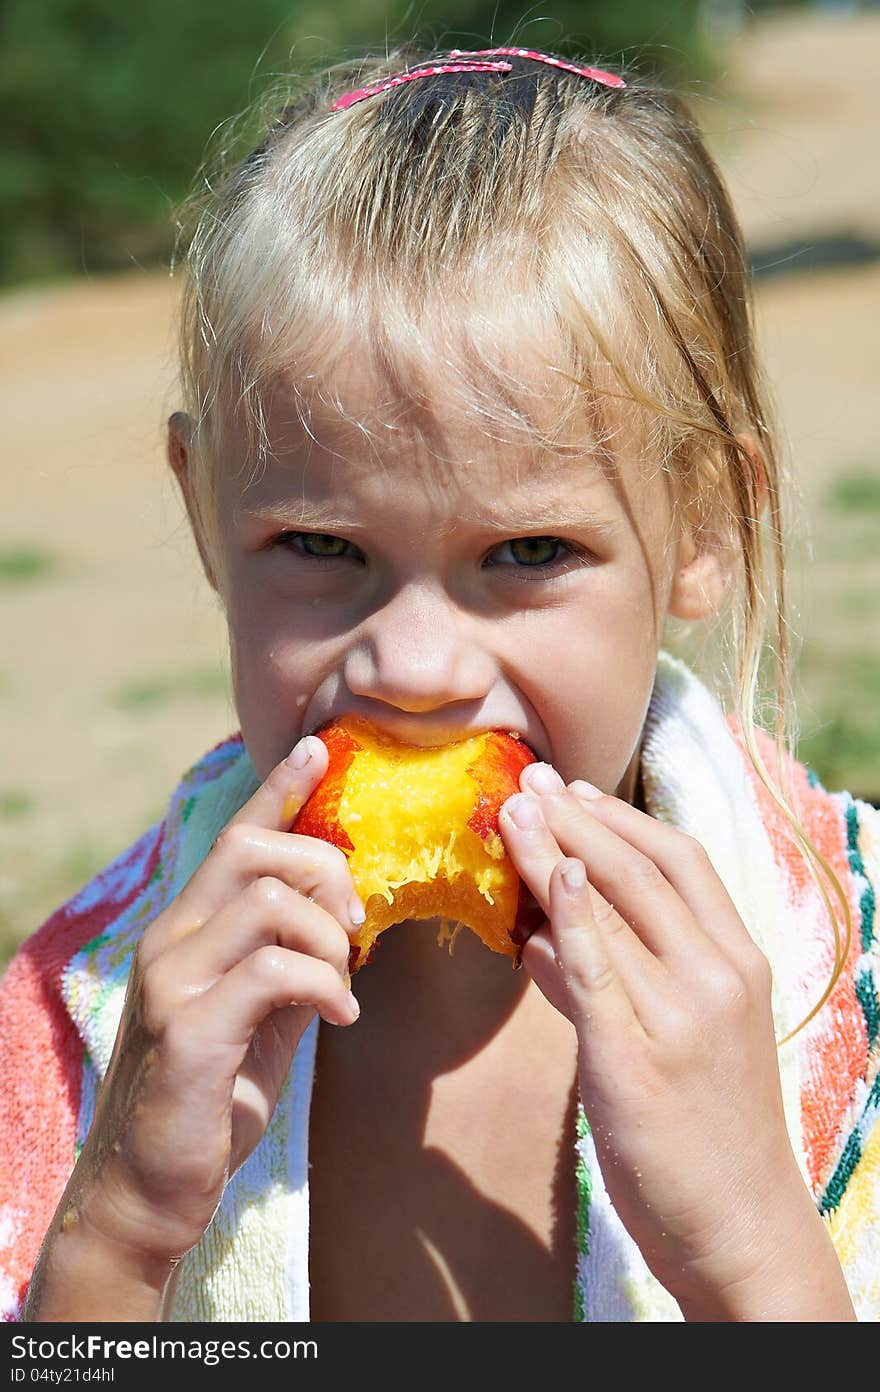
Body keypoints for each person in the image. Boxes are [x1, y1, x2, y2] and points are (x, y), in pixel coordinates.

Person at [1, 44, 877, 1324]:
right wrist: (122, 1227)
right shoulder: (85, 1029)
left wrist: (750, 1248)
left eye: (528, 553)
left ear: (700, 528)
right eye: (319, 548)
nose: (412, 671)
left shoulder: (852, 980)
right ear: (205, 514)